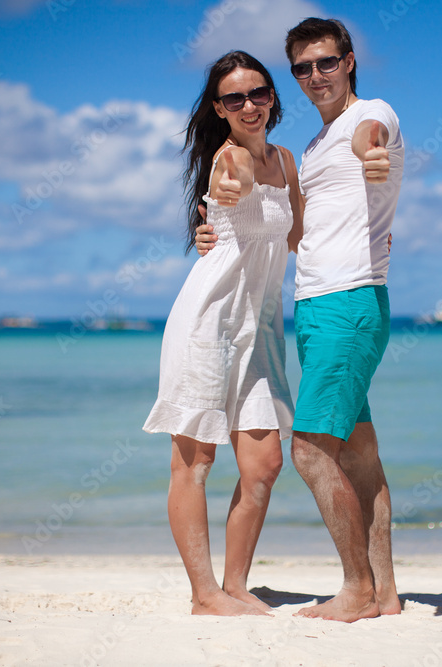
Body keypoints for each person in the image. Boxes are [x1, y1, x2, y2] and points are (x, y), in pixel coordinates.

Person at [197, 17, 404, 623]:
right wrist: (215, 229)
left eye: (327, 62)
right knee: (360, 451)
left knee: (312, 451)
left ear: (350, 60)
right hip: (314, 305)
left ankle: (355, 589)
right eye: (303, 68)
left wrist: (371, 154)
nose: (316, 75)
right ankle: (384, 593)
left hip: (349, 300)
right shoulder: (312, 148)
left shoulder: (374, 114)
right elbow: (295, 235)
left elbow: (373, 135)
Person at [143, 50, 304, 617]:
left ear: (272, 98)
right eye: (234, 98)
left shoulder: (286, 162)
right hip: (209, 321)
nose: (249, 105)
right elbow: (226, 183)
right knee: (194, 462)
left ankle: (236, 585)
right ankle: (203, 593)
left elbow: (300, 239)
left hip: (260, 330)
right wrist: (225, 196)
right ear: (219, 108)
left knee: (264, 465)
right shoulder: (227, 158)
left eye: (258, 93)